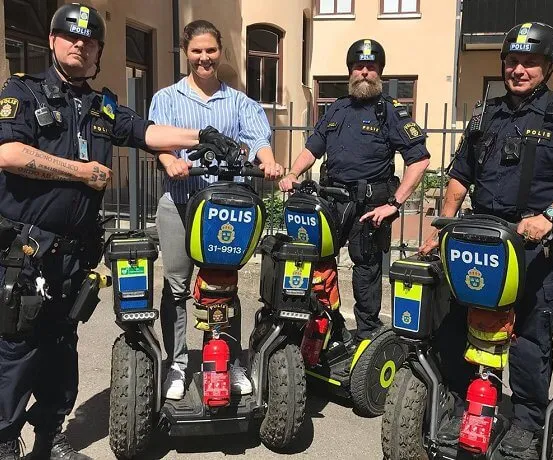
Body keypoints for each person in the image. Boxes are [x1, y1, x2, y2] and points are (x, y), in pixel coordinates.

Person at [0, 4, 225, 460]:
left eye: (89, 40)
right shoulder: (21, 93)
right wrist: (82, 172)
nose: (79, 44)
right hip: (26, 250)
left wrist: (202, 136)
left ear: (99, 49)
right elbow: (9, 154)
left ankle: (51, 435)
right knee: (16, 350)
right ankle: (5, 440)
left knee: (63, 348)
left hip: (73, 256)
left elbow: (147, 131)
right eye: (70, 37)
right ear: (52, 41)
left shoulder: (101, 105)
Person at [419, 22, 553, 458]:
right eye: (512, 61)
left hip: (535, 248)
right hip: (480, 243)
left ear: (548, 66)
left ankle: (527, 423)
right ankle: (465, 401)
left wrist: (549, 216)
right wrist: (439, 227)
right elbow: (460, 176)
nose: (518, 70)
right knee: (458, 327)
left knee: (529, 342)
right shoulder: (486, 114)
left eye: (529, 62)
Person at [148, 19, 283, 401]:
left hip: (225, 207)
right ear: (185, 53)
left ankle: (227, 360)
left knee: (222, 286)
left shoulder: (240, 102)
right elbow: (157, 136)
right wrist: (166, 160)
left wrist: (269, 162)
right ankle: (176, 362)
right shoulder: (167, 98)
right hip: (179, 201)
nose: (204, 58)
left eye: (210, 50)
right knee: (176, 287)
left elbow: (258, 139)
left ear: (220, 52)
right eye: (196, 51)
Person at [279, 39, 430, 347]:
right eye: (358, 67)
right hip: (331, 201)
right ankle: (328, 328)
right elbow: (313, 146)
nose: (364, 72)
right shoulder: (336, 108)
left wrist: (395, 203)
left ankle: (367, 336)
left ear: (380, 73)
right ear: (350, 72)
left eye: (370, 67)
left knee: (366, 270)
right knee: (318, 264)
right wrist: (294, 173)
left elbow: (420, 158)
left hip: (370, 205)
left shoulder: (390, 112)